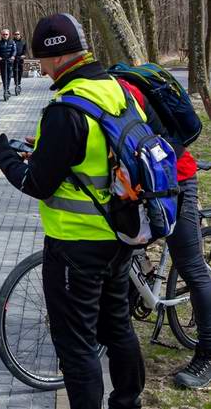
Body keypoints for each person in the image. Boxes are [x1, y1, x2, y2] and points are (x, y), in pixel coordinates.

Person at [0, 13, 144, 409]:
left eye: (40, 59)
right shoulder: (116, 91)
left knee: (77, 346)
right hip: (120, 235)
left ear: (56, 57)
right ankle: (128, 402)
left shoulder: (65, 109)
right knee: (118, 326)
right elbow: (101, 154)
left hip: (76, 245)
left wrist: (5, 157)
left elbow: (36, 184)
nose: (38, 67)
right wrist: (46, 148)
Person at [113, 77, 211, 389]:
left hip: (174, 180)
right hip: (143, 183)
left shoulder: (123, 96)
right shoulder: (100, 97)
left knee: (192, 267)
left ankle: (207, 356)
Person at [0, 29, 16, 97]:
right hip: (2, 61)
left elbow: (14, 50)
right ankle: (5, 89)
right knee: (3, 76)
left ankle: (7, 89)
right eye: (4, 34)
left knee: (8, 76)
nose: (5, 35)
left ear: (9, 35)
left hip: (9, 61)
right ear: (1, 35)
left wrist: (13, 56)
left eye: (6, 34)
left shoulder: (12, 42)